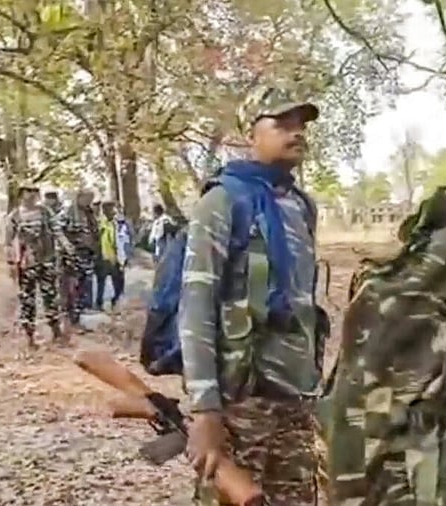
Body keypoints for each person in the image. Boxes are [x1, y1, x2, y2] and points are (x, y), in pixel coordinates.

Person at [179, 87, 325, 505]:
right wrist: (205, 408)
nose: (296, 133)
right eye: (282, 124)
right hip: (241, 400)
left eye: (301, 125)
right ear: (251, 135)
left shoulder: (300, 205)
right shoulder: (223, 201)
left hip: (295, 396)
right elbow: (196, 305)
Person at [4, 183, 67, 348]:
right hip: (26, 264)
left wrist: (66, 247)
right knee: (27, 300)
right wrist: (11, 263)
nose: (32, 195)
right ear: (21, 194)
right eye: (28, 192)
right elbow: (8, 242)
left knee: (50, 297)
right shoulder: (15, 216)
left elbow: (57, 231)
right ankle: (30, 337)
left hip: (46, 261)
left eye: (34, 192)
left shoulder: (45, 212)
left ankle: (56, 332)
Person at [58, 188, 99, 329]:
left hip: (87, 255)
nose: (89, 201)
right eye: (87, 198)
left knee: (84, 286)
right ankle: (69, 319)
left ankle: (79, 317)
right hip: (72, 256)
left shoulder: (90, 213)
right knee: (71, 288)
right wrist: (68, 246)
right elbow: (58, 231)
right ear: (79, 197)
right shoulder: (68, 211)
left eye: (91, 199)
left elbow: (94, 232)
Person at [95, 199, 133, 311]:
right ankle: (99, 304)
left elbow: (125, 240)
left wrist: (125, 256)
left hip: (116, 258)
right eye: (110, 209)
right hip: (103, 257)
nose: (113, 211)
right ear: (104, 210)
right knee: (101, 283)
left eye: (114, 209)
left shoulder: (118, 223)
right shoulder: (100, 223)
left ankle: (116, 302)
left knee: (118, 283)